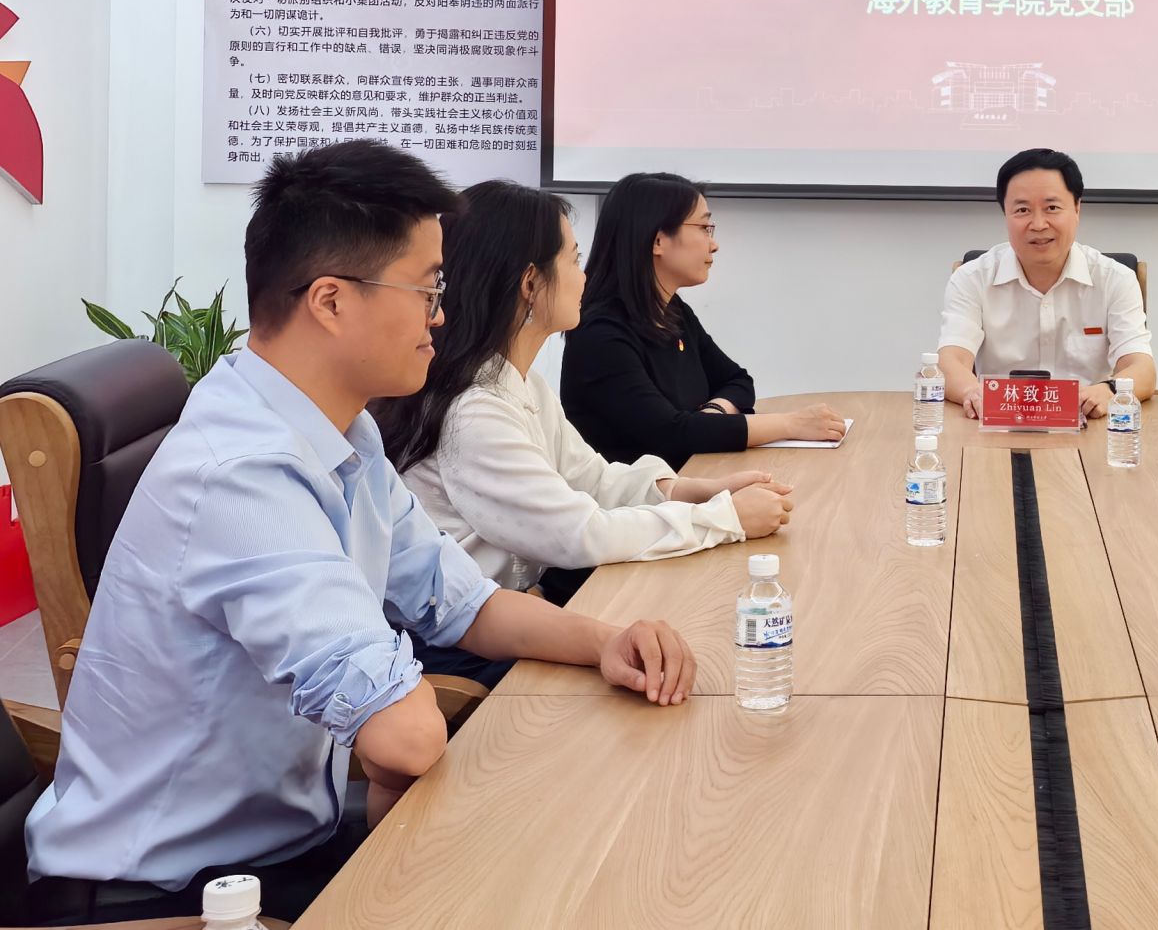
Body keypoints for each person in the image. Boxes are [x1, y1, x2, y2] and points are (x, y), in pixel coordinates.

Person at [25, 141, 695, 921]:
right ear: (331, 301)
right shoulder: (241, 474)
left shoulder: (342, 433)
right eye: (427, 286)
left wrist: (607, 642)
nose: (441, 314)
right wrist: (390, 744)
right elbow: (404, 738)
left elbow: (463, 602)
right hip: (167, 893)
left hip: (279, 843)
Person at [377, 181, 796, 672]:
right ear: (530, 283)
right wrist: (724, 520)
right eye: (574, 260)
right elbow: (579, 534)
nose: (584, 276)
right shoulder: (474, 410)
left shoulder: (517, 381)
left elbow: (592, 479)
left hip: (519, 613)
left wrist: (695, 491)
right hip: (466, 647)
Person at [559, 171, 844, 464]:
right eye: (704, 228)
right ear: (658, 240)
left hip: (692, 479)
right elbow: (671, 433)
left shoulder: (673, 311)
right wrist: (791, 424)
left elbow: (738, 381)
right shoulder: (600, 335)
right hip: (643, 492)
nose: (714, 244)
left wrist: (712, 414)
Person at [939, 147, 1154, 421]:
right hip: (998, 423)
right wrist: (973, 392)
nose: (1038, 224)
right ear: (1005, 215)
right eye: (1022, 210)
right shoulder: (971, 279)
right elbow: (950, 362)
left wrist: (1108, 390)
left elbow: (1142, 368)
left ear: (1077, 209)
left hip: (1090, 427)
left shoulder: (1115, 279)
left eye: (1052, 208)